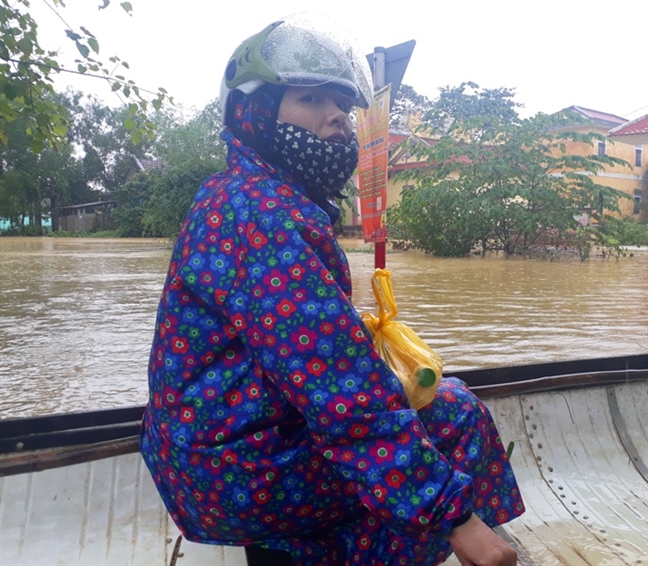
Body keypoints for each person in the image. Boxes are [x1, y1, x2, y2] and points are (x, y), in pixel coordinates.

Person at [140, 14, 524, 566]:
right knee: (456, 414)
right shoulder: (263, 216)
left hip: (209, 454)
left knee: (393, 429)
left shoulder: (232, 193)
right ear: (254, 110)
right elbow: (340, 388)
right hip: (240, 472)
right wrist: (458, 520)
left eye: (342, 105)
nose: (337, 118)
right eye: (312, 100)